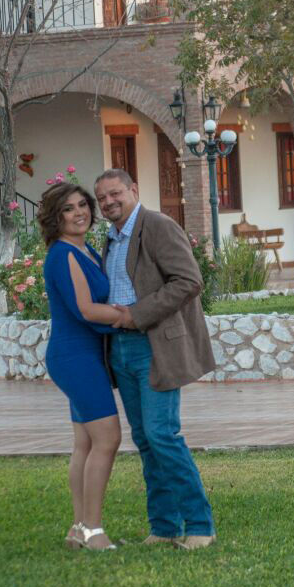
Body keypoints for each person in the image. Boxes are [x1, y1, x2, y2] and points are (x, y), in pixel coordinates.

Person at [94, 168, 217, 551]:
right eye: (102, 199)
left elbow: (188, 280)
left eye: (115, 194)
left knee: (163, 435)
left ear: (134, 189)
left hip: (154, 345)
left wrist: (136, 313)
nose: (109, 202)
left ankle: (200, 526)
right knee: (145, 440)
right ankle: (163, 526)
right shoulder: (112, 239)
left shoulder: (158, 225)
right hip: (121, 349)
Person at [39, 182, 126, 551]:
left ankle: (78, 528)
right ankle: (93, 530)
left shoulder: (84, 249)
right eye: (69, 209)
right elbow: (86, 309)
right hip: (74, 356)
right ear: (55, 219)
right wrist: (130, 316)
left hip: (84, 355)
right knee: (108, 438)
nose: (80, 213)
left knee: (86, 443)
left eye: (82, 205)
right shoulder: (63, 255)